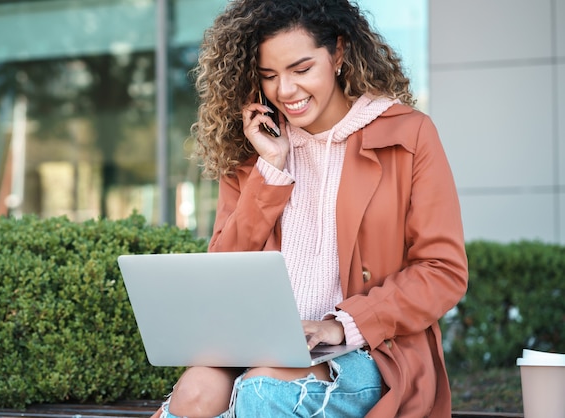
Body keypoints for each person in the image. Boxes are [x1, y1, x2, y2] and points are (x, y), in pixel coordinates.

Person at [154, 0, 468, 416]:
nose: (285, 91)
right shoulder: (253, 153)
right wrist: (272, 169)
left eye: (301, 70)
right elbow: (224, 273)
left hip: (369, 349)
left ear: (338, 54)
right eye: (269, 76)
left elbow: (442, 271)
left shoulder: (408, 135)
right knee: (196, 390)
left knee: (264, 387)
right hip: (263, 345)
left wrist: (341, 325)